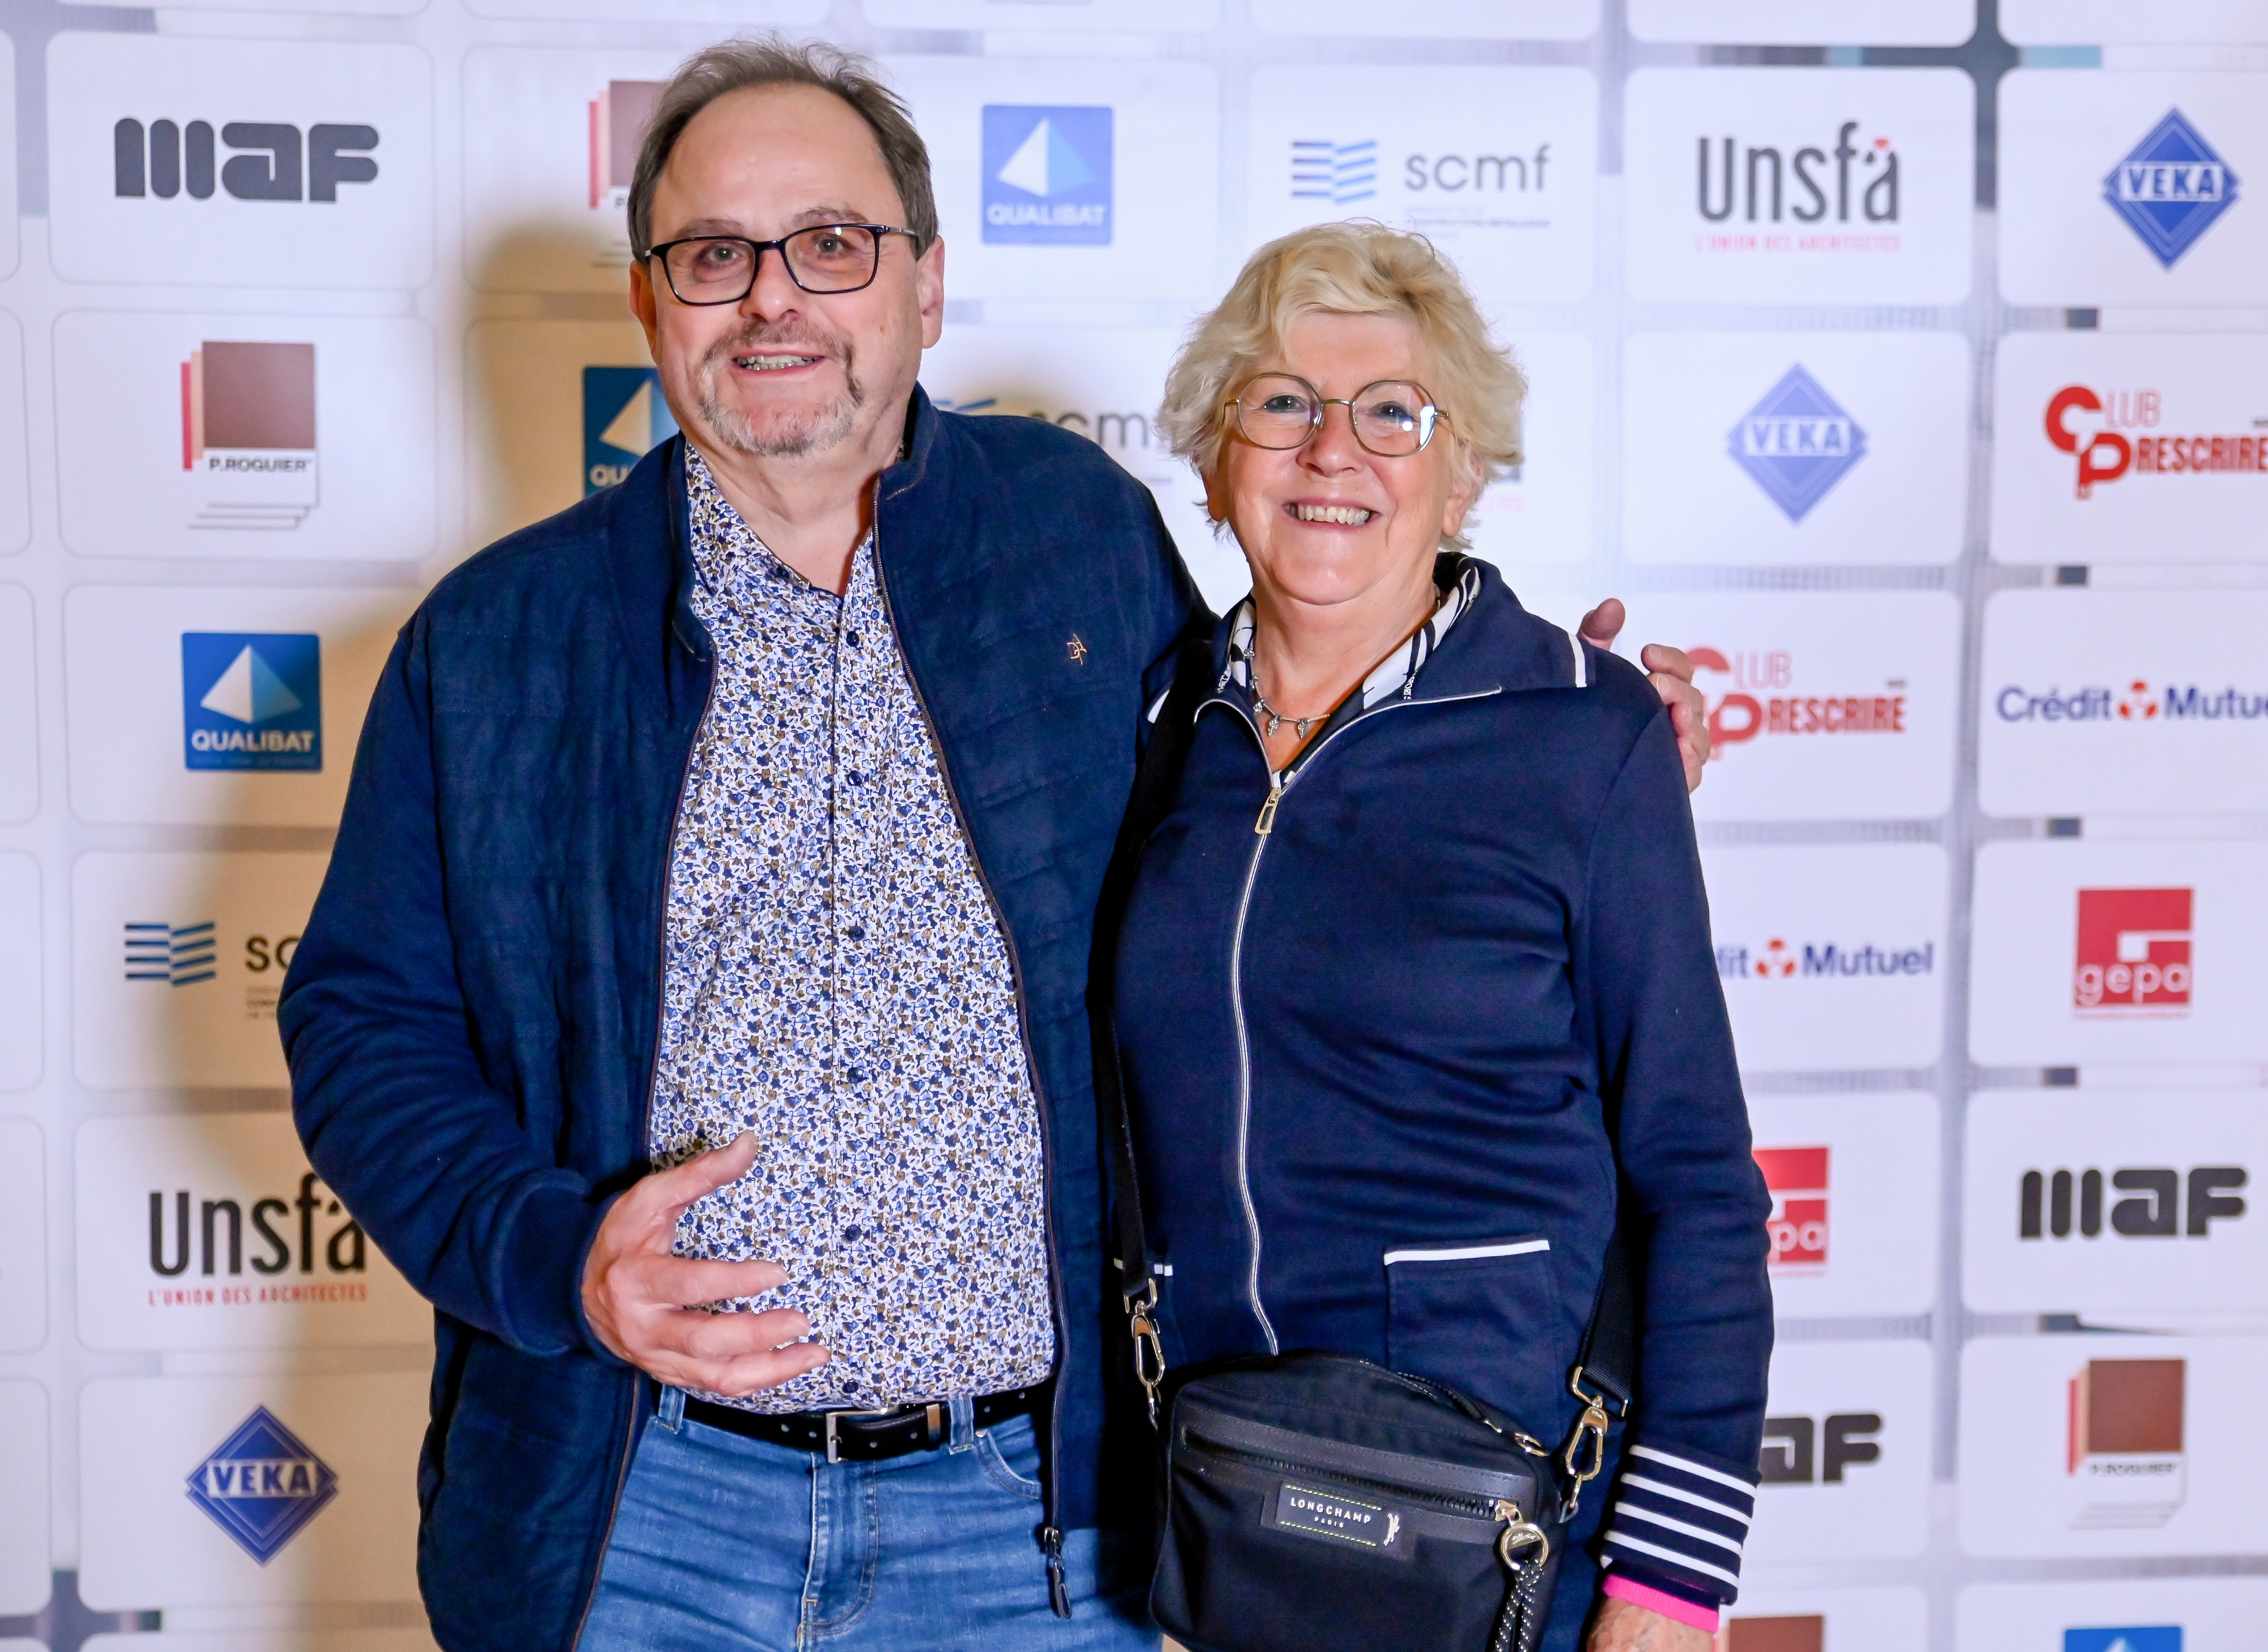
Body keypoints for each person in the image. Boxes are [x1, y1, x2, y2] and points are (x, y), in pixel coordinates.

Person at [278, 37, 1712, 1652]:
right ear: (648, 301)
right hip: (639, 1517)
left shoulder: (1071, 534)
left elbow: (1280, 785)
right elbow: (362, 1022)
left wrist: (1534, 734)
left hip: (1035, 1533)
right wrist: (554, 1257)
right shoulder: (497, 639)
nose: (773, 299)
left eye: (831, 244)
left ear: (928, 286)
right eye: (713, 255)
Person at [1104, 222, 1772, 1652]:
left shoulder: (1588, 733)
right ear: (1216, 461)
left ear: (1461, 474)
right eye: (1282, 402)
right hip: (1219, 1524)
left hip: (1502, 1532)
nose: (1331, 451)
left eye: (1392, 413)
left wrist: (1673, 1577)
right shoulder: (1157, 725)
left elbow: (1699, 1179)